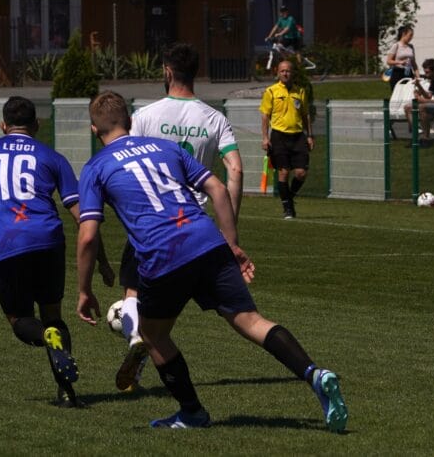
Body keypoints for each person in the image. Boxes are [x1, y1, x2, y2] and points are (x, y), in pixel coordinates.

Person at [76, 91, 348, 431]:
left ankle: (192, 412)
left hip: (162, 255)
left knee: (152, 334)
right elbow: (218, 189)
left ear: (93, 130)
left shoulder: (95, 168)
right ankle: (315, 373)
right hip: (206, 240)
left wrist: (84, 290)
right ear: (130, 123)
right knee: (251, 321)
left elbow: (87, 236)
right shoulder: (166, 148)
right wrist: (231, 245)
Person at [0, 96, 114, 407]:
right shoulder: (53, 157)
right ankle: (67, 393)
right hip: (48, 240)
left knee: (19, 320)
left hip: (7, 244)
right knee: (53, 315)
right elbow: (82, 216)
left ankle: (45, 336)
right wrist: (103, 262)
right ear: (37, 125)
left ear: (3, 126)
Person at [113, 43, 243, 392]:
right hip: (197, 226)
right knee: (230, 310)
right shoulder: (214, 118)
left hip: (151, 221)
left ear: (167, 72)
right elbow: (235, 168)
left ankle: (134, 339)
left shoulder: (145, 116)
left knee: (134, 291)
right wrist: (230, 226)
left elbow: (123, 163)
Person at [259, 60, 314, 219]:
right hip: (279, 136)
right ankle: (288, 209)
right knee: (283, 172)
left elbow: (306, 115)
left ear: (293, 73)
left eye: (288, 71)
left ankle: (288, 196)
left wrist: (309, 135)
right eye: (282, 71)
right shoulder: (271, 91)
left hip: (298, 136)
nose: (285, 73)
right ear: (278, 73)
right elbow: (265, 115)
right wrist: (265, 137)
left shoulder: (300, 91)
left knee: (301, 173)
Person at [385, 25, 419, 92]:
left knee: (409, 93)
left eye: (412, 35)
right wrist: (400, 62)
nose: (411, 37)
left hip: (408, 72)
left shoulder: (411, 47)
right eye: (410, 35)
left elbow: (414, 63)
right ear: (404, 34)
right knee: (398, 93)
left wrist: (418, 76)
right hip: (397, 73)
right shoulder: (396, 45)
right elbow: (388, 61)